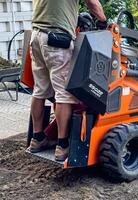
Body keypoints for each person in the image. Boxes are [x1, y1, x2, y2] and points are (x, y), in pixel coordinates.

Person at [28, 0, 107, 161]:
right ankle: (62, 146)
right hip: (57, 40)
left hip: (36, 36)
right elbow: (93, 3)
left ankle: (37, 138)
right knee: (63, 93)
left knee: (39, 91)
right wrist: (103, 21)